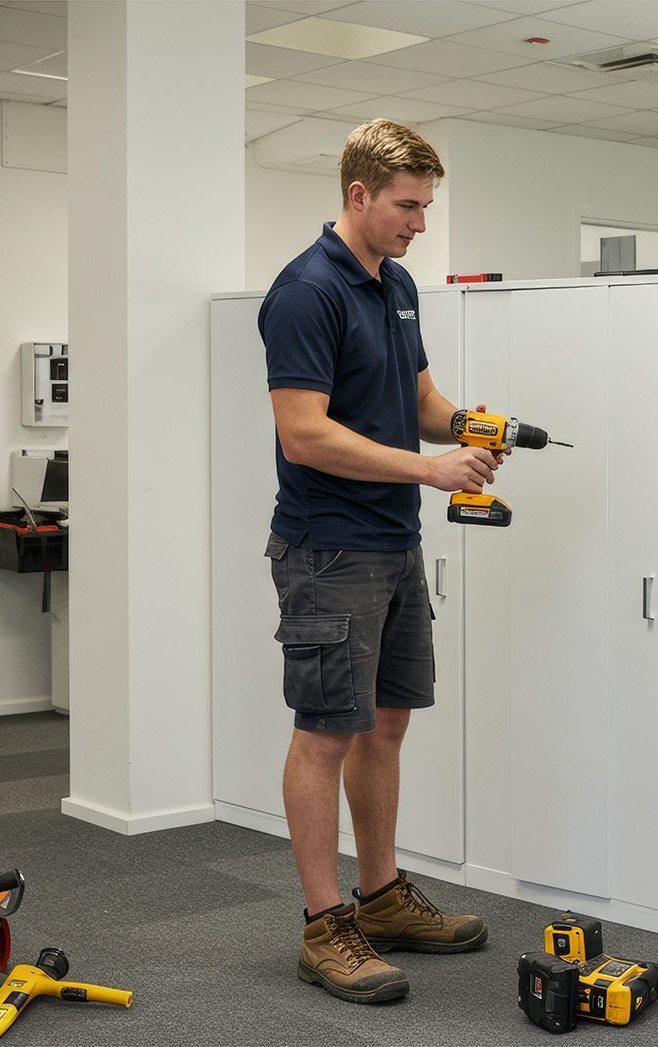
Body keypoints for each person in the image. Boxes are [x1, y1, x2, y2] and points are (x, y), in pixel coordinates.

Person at [259, 118, 498, 1005]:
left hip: (395, 543)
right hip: (328, 547)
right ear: (358, 195)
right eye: (407, 205)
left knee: (387, 724)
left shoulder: (395, 284)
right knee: (325, 732)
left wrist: (466, 427)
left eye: (426, 206)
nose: (419, 223)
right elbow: (304, 431)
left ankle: (384, 896)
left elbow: (421, 398)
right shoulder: (304, 292)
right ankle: (327, 928)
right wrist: (430, 469)